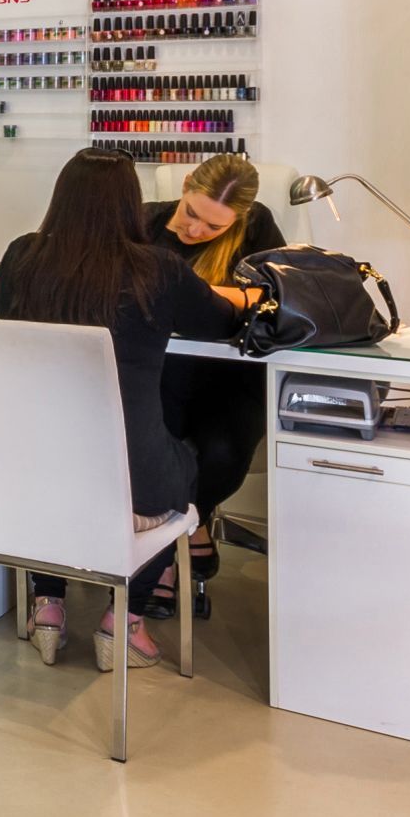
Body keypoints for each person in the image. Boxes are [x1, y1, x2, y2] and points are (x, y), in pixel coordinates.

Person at [0, 148, 251, 667]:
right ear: (134, 204)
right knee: (185, 465)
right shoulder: (158, 269)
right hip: (133, 481)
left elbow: (5, 313)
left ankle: (47, 606)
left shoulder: (20, 256)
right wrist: (249, 296)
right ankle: (124, 621)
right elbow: (220, 320)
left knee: (63, 476)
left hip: (38, 469)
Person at [141, 154, 286, 620]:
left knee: (222, 451)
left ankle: (184, 527)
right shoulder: (144, 222)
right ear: (185, 185)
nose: (196, 230)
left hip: (231, 381)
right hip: (161, 376)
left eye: (214, 226)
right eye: (191, 214)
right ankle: (175, 547)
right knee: (155, 444)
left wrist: (183, 292)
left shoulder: (256, 226)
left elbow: (274, 300)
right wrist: (221, 297)